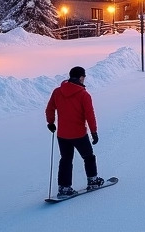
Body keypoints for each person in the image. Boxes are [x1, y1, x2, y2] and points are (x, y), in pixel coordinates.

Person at [45, 66, 103, 197]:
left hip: (62, 135)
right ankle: (92, 180)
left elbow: (49, 108)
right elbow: (90, 115)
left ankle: (64, 187)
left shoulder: (57, 92)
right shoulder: (84, 95)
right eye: (84, 77)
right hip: (79, 134)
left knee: (65, 159)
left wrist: (51, 123)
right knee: (88, 157)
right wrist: (94, 132)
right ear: (81, 77)